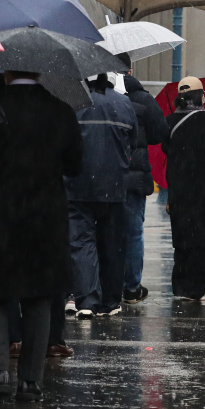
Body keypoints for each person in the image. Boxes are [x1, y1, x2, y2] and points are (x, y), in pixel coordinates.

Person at [0, 71, 82, 402]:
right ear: (40, 71)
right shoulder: (60, 110)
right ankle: (31, 380)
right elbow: (75, 165)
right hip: (44, 218)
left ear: (6, 72)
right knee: (39, 296)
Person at [65, 74, 136, 319]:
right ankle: (110, 300)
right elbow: (132, 141)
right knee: (112, 244)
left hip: (78, 185)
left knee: (81, 243)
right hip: (114, 185)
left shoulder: (74, 102)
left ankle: (86, 300)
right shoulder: (124, 103)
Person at [163, 77, 205, 301]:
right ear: (200, 96)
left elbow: (165, 147)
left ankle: (180, 285)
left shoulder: (170, 121)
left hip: (178, 189)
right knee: (199, 240)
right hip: (204, 190)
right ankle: (196, 287)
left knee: (182, 239)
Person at [120, 71, 168, 305]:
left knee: (100, 233)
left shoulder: (93, 94)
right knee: (133, 233)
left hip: (103, 176)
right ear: (129, 71)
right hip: (135, 175)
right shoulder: (143, 98)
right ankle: (131, 287)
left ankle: (104, 286)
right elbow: (160, 133)